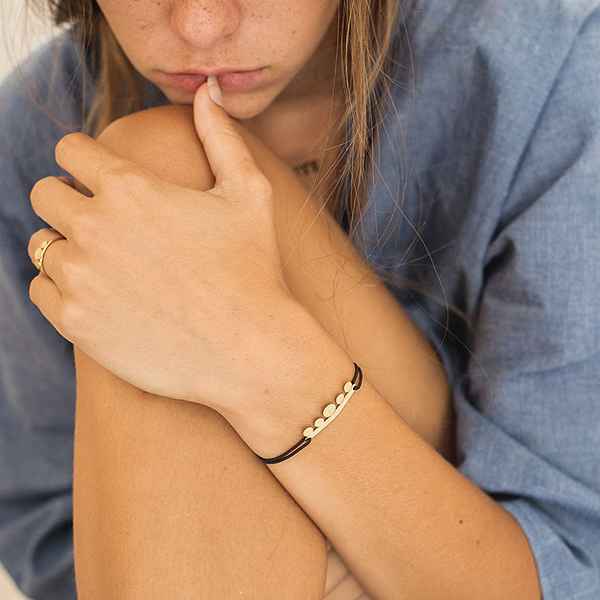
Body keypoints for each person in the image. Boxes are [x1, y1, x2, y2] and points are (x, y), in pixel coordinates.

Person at [1, 0, 599, 598]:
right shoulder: (36, 127)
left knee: (166, 162)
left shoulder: (551, 74)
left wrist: (250, 353)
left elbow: (574, 566)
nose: (200, 24)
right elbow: (52, 533)